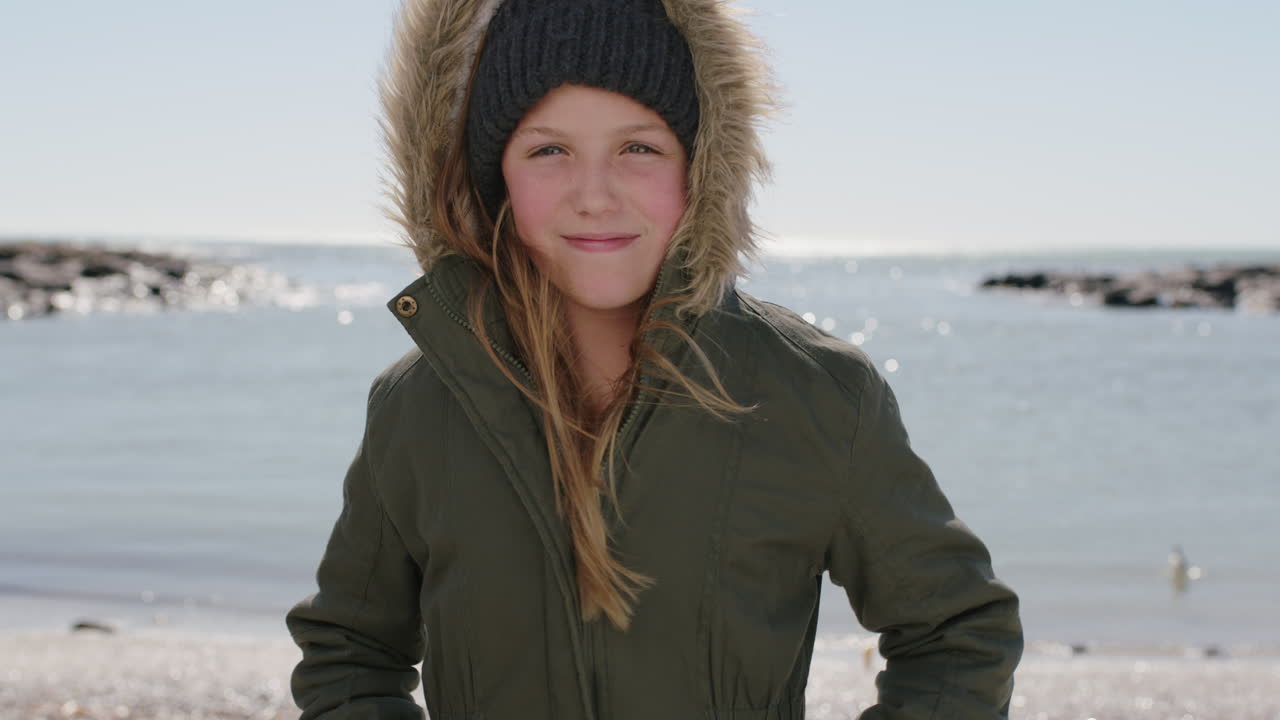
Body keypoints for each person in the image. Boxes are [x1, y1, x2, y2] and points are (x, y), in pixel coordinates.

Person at [285, 0, 1024, 717]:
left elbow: (957, 633)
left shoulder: (818, 394)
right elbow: (350, 653)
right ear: (493, 178)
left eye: (638, 148)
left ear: (700, 168)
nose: (595, 195)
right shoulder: (421, 406)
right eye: (549, 150)